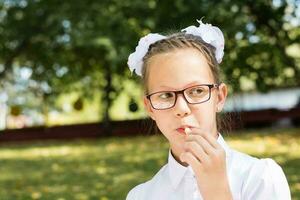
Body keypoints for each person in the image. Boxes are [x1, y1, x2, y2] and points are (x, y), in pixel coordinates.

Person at [126, 20, 291, 200]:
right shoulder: (140, 196)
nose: (182, 109)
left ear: (219, 97)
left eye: (197, 91)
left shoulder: (260, 178)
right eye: (165, 95)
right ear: (150, 108)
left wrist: (216, 191)